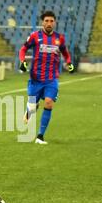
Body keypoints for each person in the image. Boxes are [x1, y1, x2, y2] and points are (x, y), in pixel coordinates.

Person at [19, 10, 74, 145]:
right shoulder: (34, 36)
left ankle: (40, 136)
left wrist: (69, 62)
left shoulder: (59, 38)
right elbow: (23, 49)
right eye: (46, 21)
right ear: (42, 22)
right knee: (32, 106)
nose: (49, 23)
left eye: (51, 21)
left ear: (54, 22)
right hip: (36, 79)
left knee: (49, 102)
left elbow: (66, 53)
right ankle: (30, 109)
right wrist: (22, 61)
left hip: (51, 79)